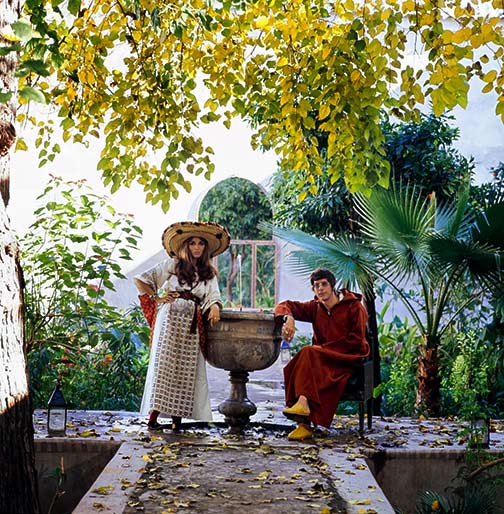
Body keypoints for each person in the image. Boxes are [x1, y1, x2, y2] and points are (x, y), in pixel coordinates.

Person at [134, 221, 230, 431]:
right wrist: (156, 297)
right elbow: (141, 280)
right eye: (192, 243)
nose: (197, 247)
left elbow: (213, 295)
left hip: (191, 323)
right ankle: (153, 417)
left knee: (185, 369)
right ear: (186, 245)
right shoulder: (173, 265)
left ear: (205, 248)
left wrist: (214, 306)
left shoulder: (209, 273)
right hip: (169, 319)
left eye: (201, 244)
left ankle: (177, 420)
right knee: (164, 367)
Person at [274, 268, 370, 441]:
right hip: (322, 360)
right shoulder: (315, 307)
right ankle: (303, 424)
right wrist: (289, 317)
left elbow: (356, 341)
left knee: (308, 352)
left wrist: (326, 350)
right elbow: (283, 305)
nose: (320, 289)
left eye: (324, 284)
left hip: (347, 359)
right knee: (298, 364)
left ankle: (303, 409)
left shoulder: (354, 306)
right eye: (316, 286)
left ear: (332, 286)